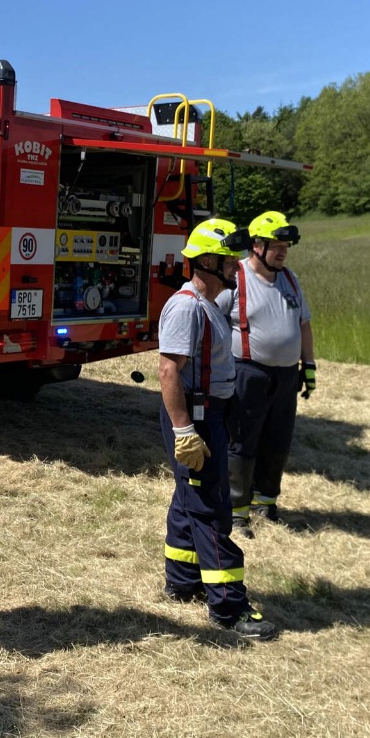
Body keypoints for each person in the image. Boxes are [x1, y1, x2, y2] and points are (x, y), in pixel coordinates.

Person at [158, 217, 278, 640]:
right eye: (229, 261)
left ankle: (182, 580)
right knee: (210, 506)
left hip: (209, 413)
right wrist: (183, 431)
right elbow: (168, 372)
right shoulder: (187, 307)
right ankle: (229, 607)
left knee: (189, 497)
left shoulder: (209, 303)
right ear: (207, 262)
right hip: (196, 417)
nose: (235, 267)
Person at [216, 210, 315, 536]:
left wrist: (309, 365)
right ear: (256, 246)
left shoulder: (290, 279)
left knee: (277, 439)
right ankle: (236, 512)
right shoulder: (237, 278)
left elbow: (303, 324)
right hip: (248, 373)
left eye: (286, 246)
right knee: (242, 441)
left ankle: (265, 502)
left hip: (286, 377)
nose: (283, 252)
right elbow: (212, 320)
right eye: (277, 245)